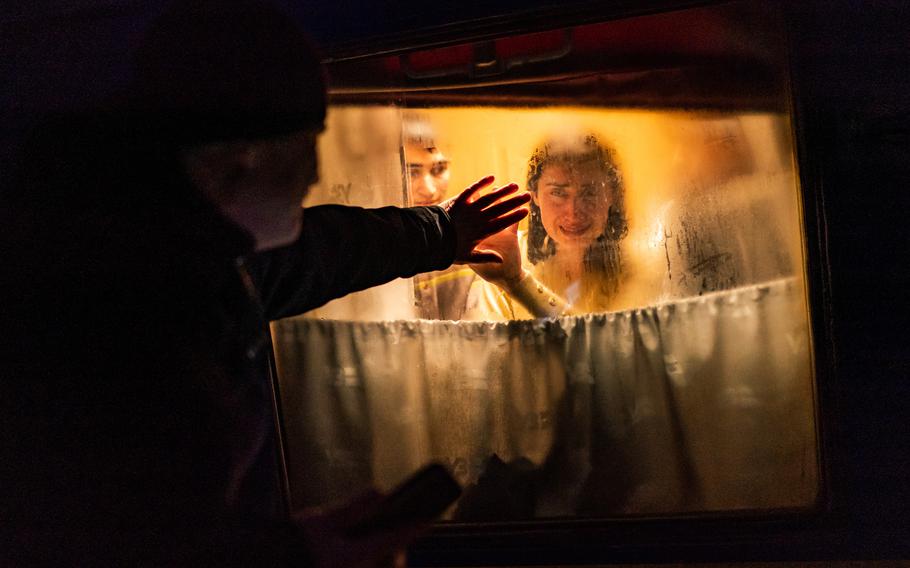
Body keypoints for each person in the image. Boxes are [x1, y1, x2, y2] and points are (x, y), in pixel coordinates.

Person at [0, 1, 529, 565]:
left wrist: (442, 233)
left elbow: (315, 256)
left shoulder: (180, 262)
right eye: (304, 146)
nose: (315, 175)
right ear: (240, 160)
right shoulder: (108, 310)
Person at [466, 132, 628, 320]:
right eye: (558, 193)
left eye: (590, 192)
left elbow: (614, 345)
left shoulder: (636, 267)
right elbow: (485, 344)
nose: (573, 211)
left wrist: (516, 281)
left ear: (612, 195)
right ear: (534, 194)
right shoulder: (504, 253)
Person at [402, 114, 480, 320]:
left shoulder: (472, 244)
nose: (428, 190)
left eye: (438, 169)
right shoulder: (372, 247)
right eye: (411, 172)